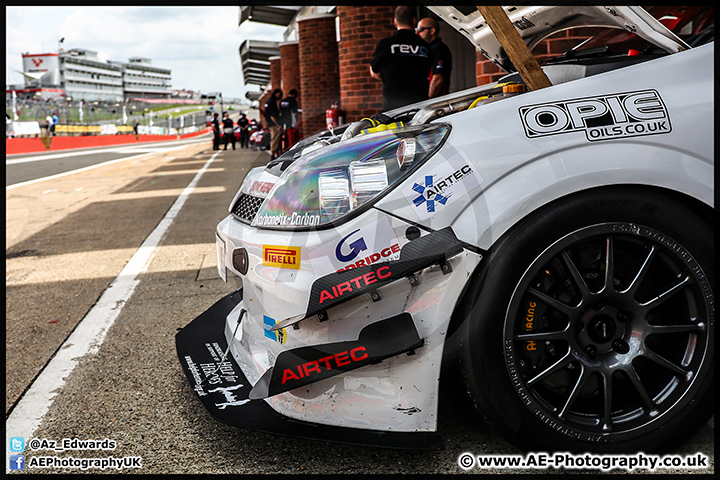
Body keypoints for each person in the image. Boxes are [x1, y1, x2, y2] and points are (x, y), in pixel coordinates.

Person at [369, 6, 430, 111]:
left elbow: (375, 71)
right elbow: (428, 71)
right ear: (414, 21)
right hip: (420, 106)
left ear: (395, 22)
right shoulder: (425, 46)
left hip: (393, 107)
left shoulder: (385, 44)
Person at [416, 17, 453, 98]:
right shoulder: (429, 48)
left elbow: (437, 79)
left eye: (420, 29)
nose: (417, 33)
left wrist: (427, 102)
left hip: (436, 102)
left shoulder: (438, 48)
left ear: (432, 31)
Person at [264, 88, 283, 159]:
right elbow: (272, 116)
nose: (280, 96)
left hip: (270, 123)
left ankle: (274, 153)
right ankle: (273, 153)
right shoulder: (272, 102)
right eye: (279, 94)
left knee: (274, 138)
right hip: (273, 124)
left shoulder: (268, 101)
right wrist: (277, 124)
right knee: (275, 138)